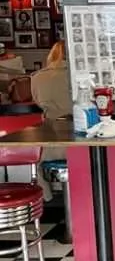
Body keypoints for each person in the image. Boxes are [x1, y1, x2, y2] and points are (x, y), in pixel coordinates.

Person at [31, 41, 70, 199]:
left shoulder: (37, 77)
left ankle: (46, 198)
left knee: (34, 162)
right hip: (81, 143)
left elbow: (38, 103)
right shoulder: (80, 75)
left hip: (50, 145)